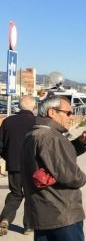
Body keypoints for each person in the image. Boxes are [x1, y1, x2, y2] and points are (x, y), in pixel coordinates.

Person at [20, 96, 86, 240]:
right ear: (51, 112)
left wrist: (80, 143)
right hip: (61, 214)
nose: (71, 116)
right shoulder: (51, 137)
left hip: (42, 213)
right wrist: (82, 178)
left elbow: (53, 160)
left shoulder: (34, 134)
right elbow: (69, 175)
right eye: (67, 113)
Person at [0, 95, 37, 236]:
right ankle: (29, 226)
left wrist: (7, 157)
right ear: (33, 107)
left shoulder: (8, 122)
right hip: (32, 166)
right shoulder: (36, 121)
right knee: (31, 195)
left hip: (13, 164)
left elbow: (1, 145)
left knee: (15, 193)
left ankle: (5, 219)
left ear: (19, 106)